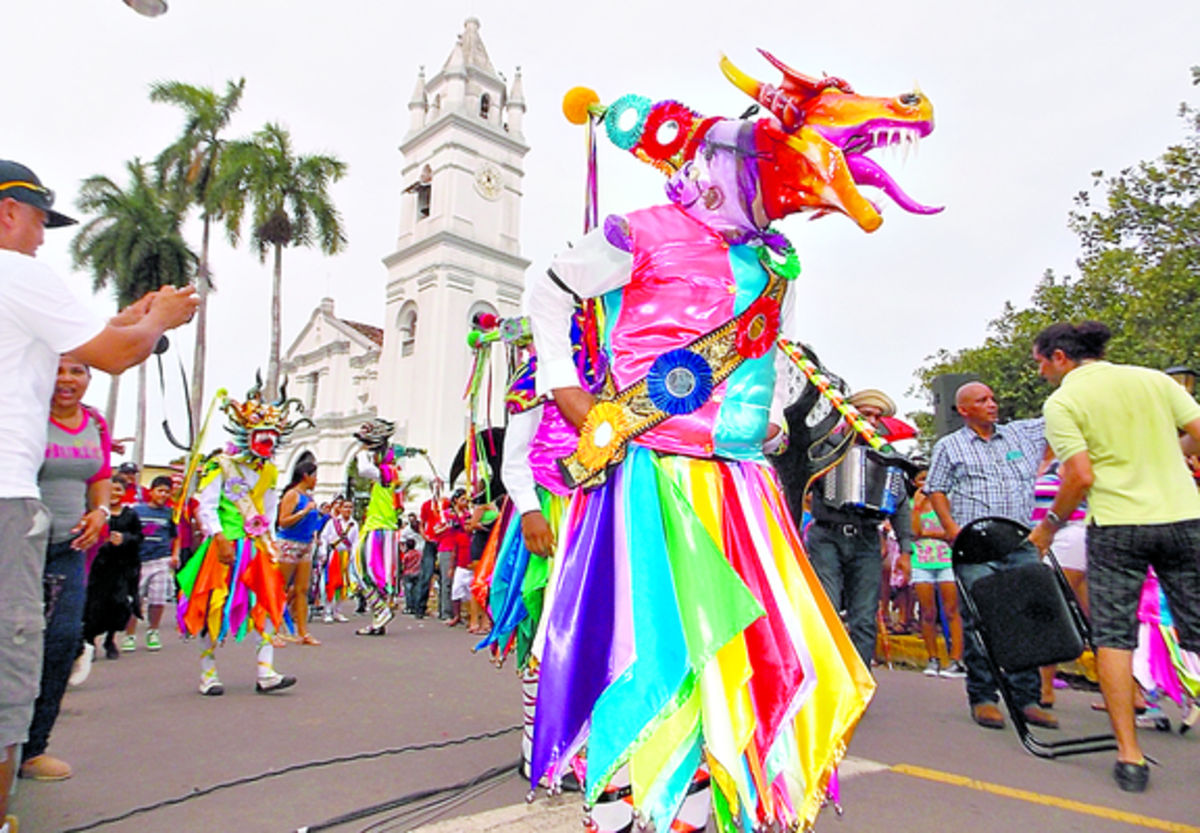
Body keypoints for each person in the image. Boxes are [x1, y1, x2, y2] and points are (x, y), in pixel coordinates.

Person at [0, 158, 198, 831]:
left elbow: (90, 339)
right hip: (7, 501)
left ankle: (34, 749)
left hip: (49, 528)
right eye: (36, 221)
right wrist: (161, 318)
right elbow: (110, 354)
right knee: (11, 660)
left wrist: (138, 317)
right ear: (6, 212)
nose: (41, 238)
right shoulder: (14, 269)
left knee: (48, 641)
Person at [1028, 321, 1200, 792]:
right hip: (1184, 518)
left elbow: (1080, 476)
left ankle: (1130, 757)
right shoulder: (1154, 380)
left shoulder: (1063, 402)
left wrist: (1049, 527)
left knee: (1114, 638)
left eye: (1041, 361)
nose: (1040, 371)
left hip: (1117, 527)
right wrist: (1174, 453)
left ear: (1060, 357)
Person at [925, 381, 1058, 731]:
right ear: (964, 410)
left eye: (992, 398)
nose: (992, 404)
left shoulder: (1022, 435)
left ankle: (1027, 699)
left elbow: (1058, 412)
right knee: (980, 620)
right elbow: (935, 488)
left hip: (1020, 540)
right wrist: (951, 528)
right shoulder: (949, 446)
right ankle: (983, 697)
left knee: (1026, 617)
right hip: (976, 542)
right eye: (981, 401)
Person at [176, 379, 300, 696]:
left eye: (273, 437)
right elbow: (207, 504)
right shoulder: (223, 465)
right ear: (248, 435)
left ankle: (266, 672)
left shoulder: (271, 471)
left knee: (268, 603)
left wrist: (270, 541)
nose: (268, 442)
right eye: (263, 436)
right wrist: (217, 537)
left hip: (256, 547)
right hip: (224, 546)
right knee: (210, 605)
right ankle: (208, 674)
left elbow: (269, 510)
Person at [21, 355, 112, 782]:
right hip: (18, 550)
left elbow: (101, 476)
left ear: (89, 378)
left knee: (60, 646)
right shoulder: (25, 414)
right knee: (14, 648)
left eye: (77, 370)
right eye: (57, 368)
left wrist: (101, 512)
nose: (66, 379)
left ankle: (32, 749)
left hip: (68, 551)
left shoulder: (95, 423)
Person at [805, 388, 914, 667]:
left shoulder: (888, 455)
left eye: (878, 417)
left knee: (864, 615)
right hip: (827, 533)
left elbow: (901, 504)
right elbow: (801, 486)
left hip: (866, 536)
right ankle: (827, 679)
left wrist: (905, 549)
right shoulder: (824, 446)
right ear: (851, 415)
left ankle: (859, 681)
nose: (873, 421)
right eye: (866, 414)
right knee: (826, 606)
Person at [909, 468, 966, 678]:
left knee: (952, 610)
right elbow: (914, 532)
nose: (925, 484)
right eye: (921, 480)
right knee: (927, 612)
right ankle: (932, 658)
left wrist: (931, 534)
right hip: (922, 561)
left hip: (947, 561)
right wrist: (916, 505)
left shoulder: (948, 501)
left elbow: (951, 531)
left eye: (928, 480)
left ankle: (957, 659)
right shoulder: (914, 505)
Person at [83, 477, 142, 661]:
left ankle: (111, 639)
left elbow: (139, 537)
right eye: (111, 490)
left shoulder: (130, 515)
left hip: (122, 568)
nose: (114, 494)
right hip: (99, 567)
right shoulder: (96, 514)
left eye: (118, 490)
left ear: (124, 493)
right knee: (94, 604)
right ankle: (90, 641)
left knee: (118, 603)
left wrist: (125, 538)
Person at [124, 475, 177, 653]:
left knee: (158, 598)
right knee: (134, 599)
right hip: (137, 561)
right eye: (160, 491)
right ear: (151, 492)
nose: (163, 495)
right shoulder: (136, 511)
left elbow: (176, 536)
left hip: (161, 559)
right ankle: (129, 635)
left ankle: (153, 631)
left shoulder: (170, 513)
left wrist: (175, 555)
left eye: (167, 492)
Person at [275, 460, 322, 645]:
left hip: (306, 544)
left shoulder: (309, 497)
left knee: (302, 589)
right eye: (314, 476)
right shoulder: (292, 495)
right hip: (289, 542)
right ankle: (274, 630)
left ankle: (303, 632)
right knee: (280, 587)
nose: (316, 480)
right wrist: (303, 512)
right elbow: (283, 521)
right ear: (306, 476)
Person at [317, 498, 356, 623]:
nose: (347, 510)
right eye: (345, 507)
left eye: (350, 507)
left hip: (346, 556)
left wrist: (353, 556)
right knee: (331, 584)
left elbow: (356, 542)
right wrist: (322, 552)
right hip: (334, 555)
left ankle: (337, 611)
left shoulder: (354, 524)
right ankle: (327, 611)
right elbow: (324, 537)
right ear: (340, 509)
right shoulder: (332, 523)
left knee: (343, 585)